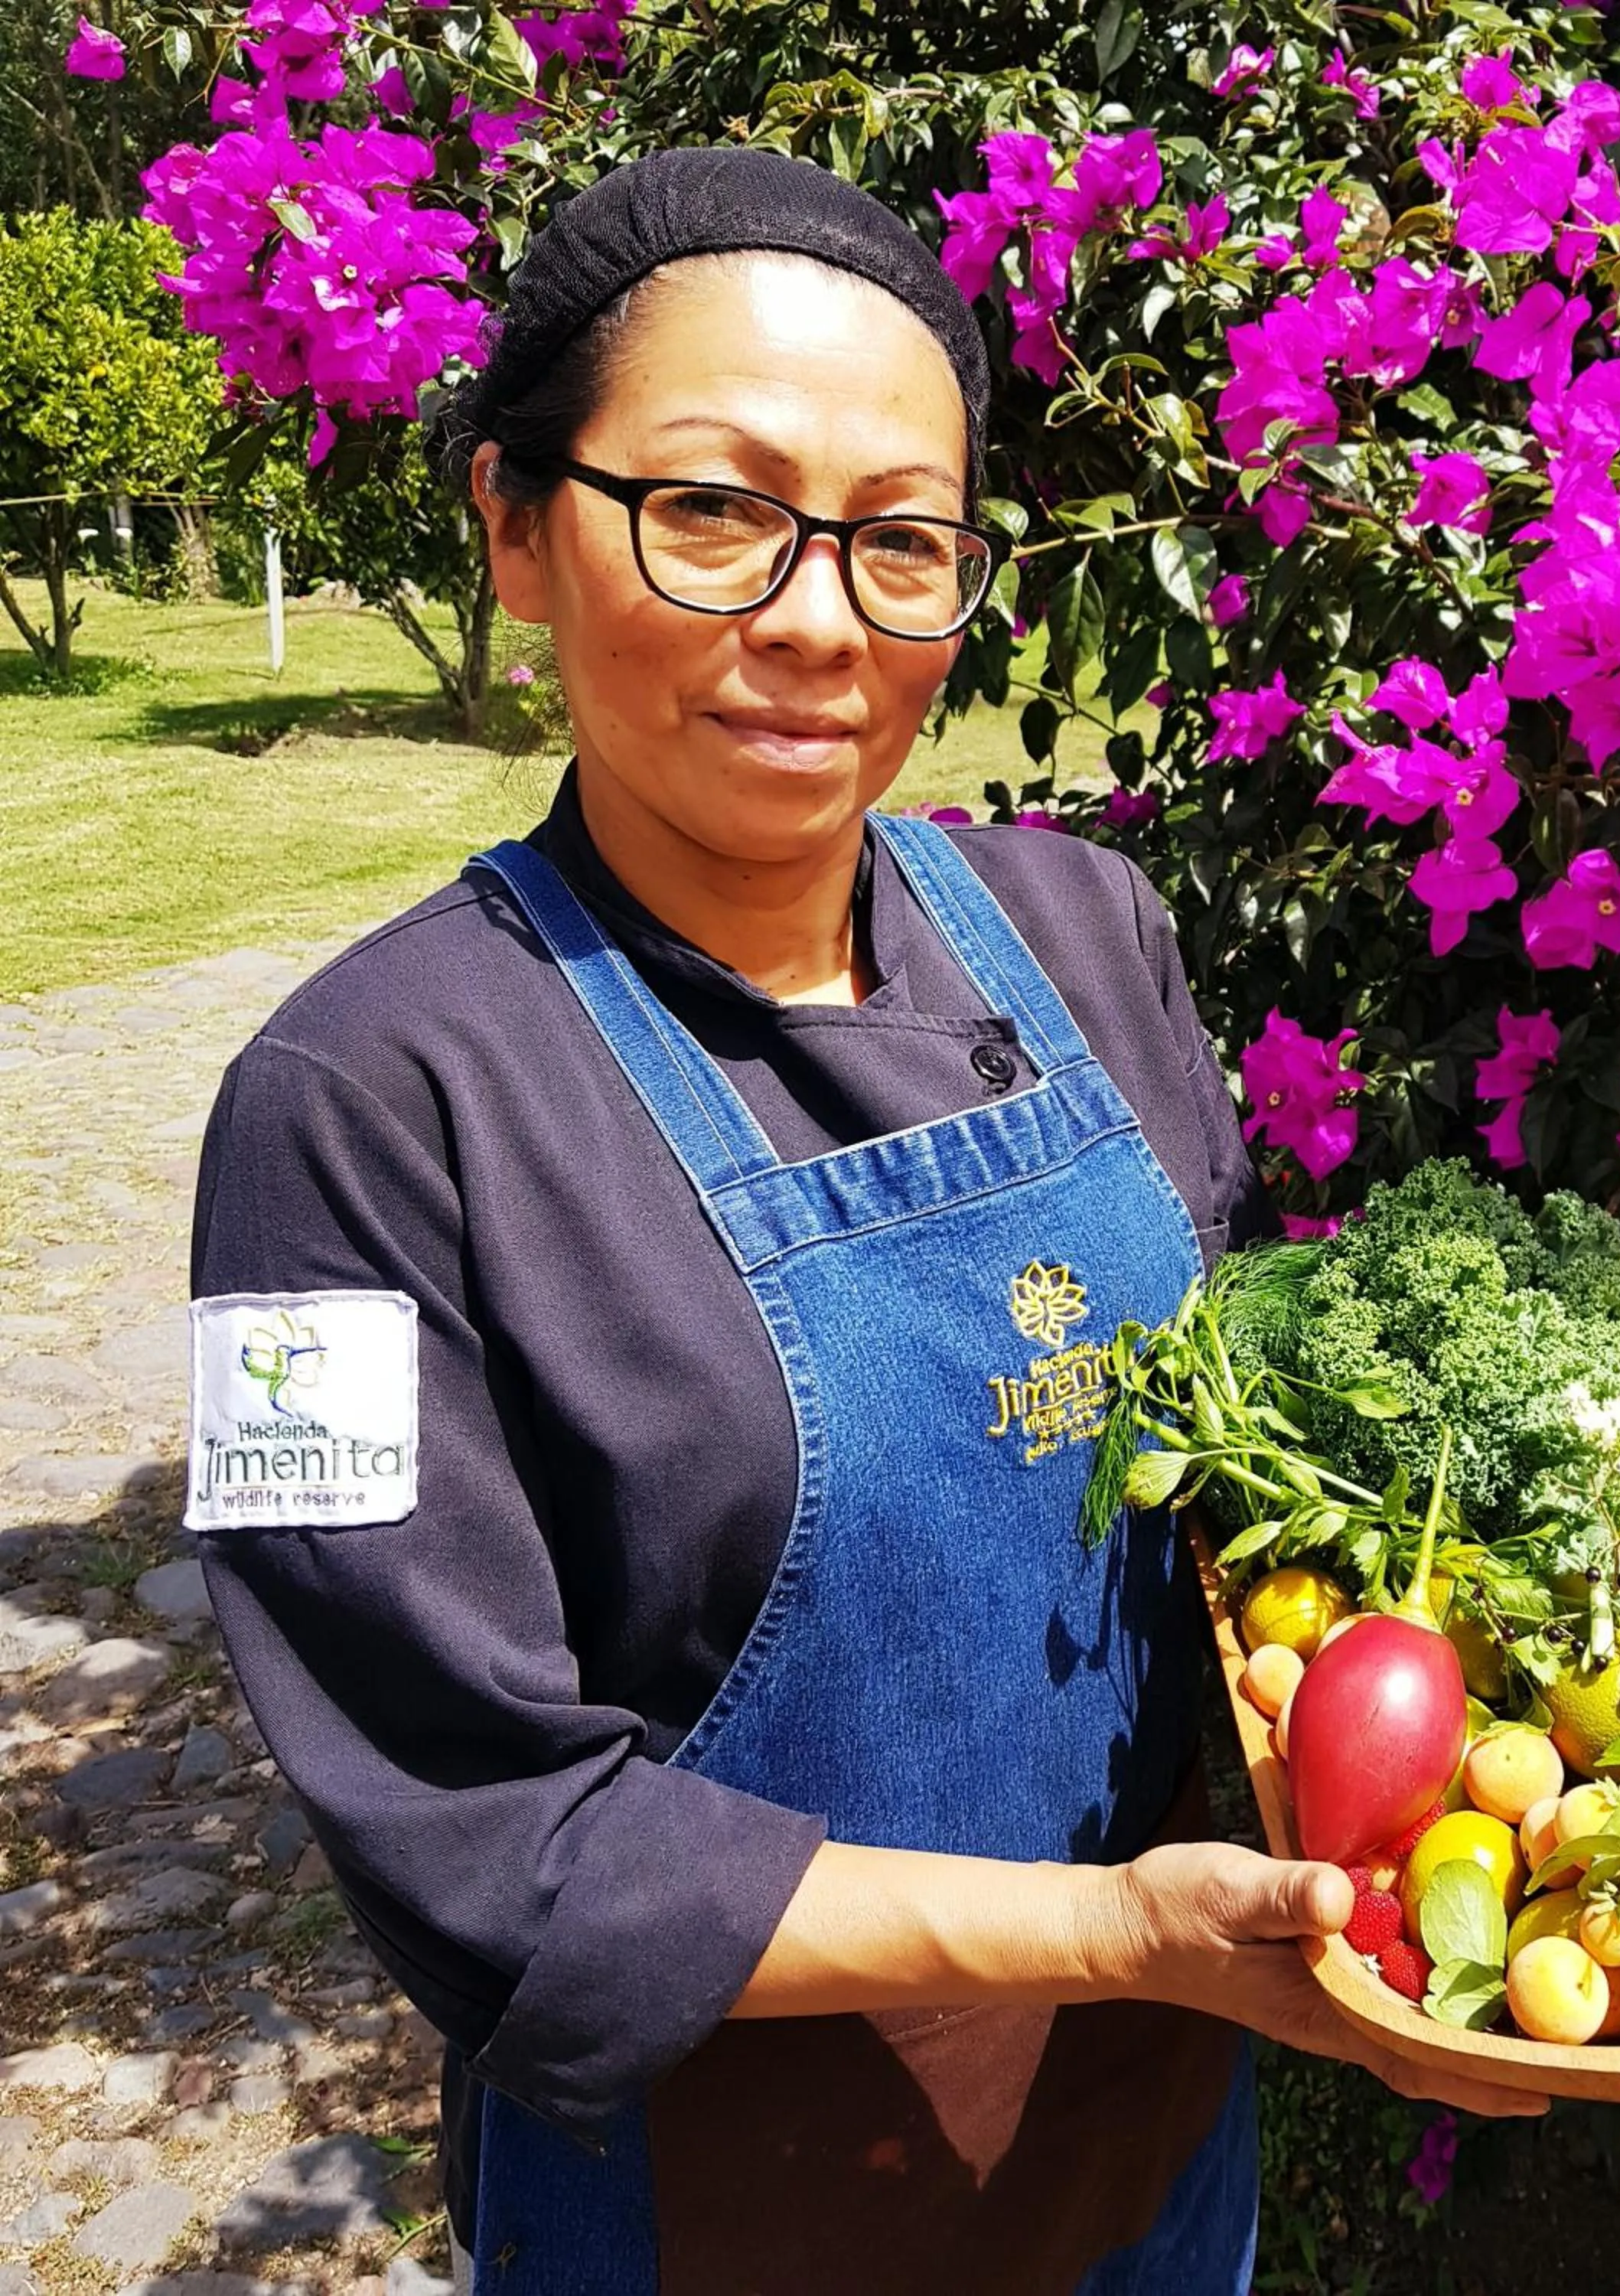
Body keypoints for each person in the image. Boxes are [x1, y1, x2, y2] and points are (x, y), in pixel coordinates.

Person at [185, 146, 1540, 2296]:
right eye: (713, 510)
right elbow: (483, 1842)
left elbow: (1241, 1493)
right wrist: (1110, 1930)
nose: (820, 623)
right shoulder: (359, 1111)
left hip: (1161, 2140)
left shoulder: (1088, 932)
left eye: (903, 540)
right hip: (727, 2211)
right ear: (517, 526)